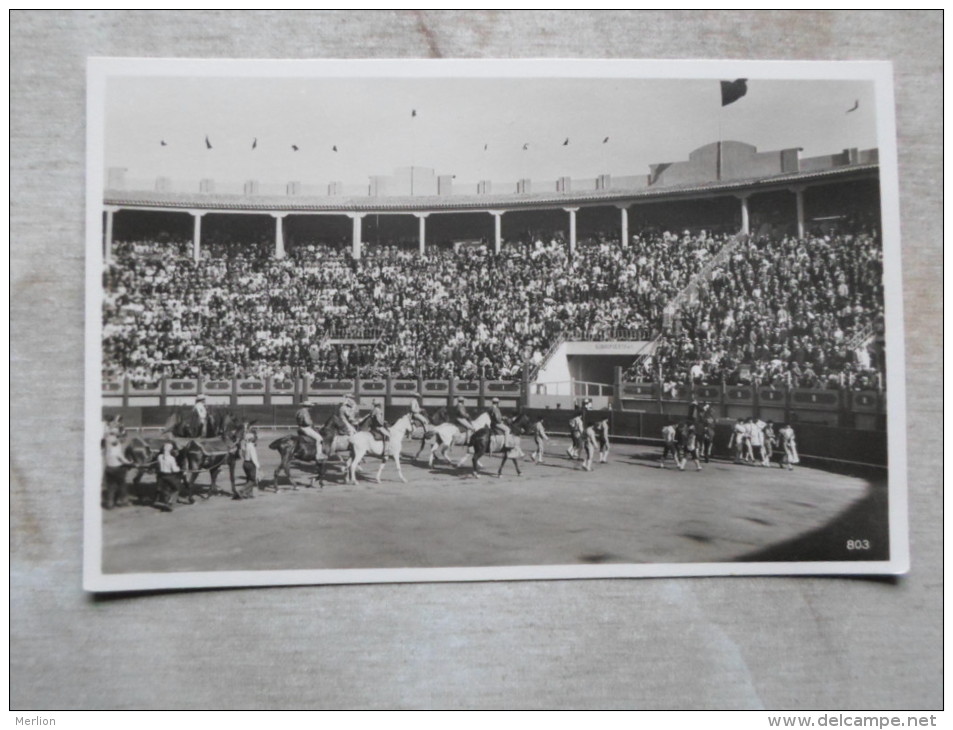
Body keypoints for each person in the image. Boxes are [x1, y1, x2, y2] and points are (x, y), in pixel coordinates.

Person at [102, 427, 132, 509]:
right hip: (117, 468)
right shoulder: (116, 444)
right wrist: (129, 463)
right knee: (122, 485)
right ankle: (124, 501)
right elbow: (119, 456)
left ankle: (110, 503)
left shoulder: (107, 442)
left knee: (110, 487)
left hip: (108, 467)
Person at [155, 440, 183, 511]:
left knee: (166, 488)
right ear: (170, 450)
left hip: (161, 476)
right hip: (169, 476)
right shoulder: (171, 458)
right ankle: (170, 503)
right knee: (178, 488)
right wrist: (179, 469)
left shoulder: (159, 457)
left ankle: (163, 501)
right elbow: (174, 470)